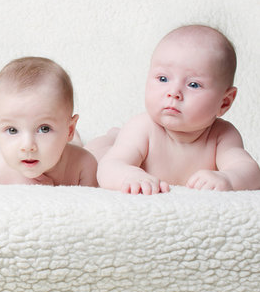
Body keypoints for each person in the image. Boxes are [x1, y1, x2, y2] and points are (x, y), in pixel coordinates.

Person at [91, 25, 260, 194]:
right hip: (107, 150)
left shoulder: (222, 135)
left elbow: (250, 171)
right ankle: (109, 136)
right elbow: (109, 166)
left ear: (224, 102)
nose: (173, 93)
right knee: (92, 155)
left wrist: (228, 179)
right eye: (163, 78)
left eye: (194, 84)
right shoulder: (143, 127)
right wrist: (130, 175)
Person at [0, 57, 97, 186]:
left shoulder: (83, 165)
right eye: (12, 130)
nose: (28, 145)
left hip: (64, 144)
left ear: (70, 130)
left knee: (76, 146)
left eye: (44, 129)